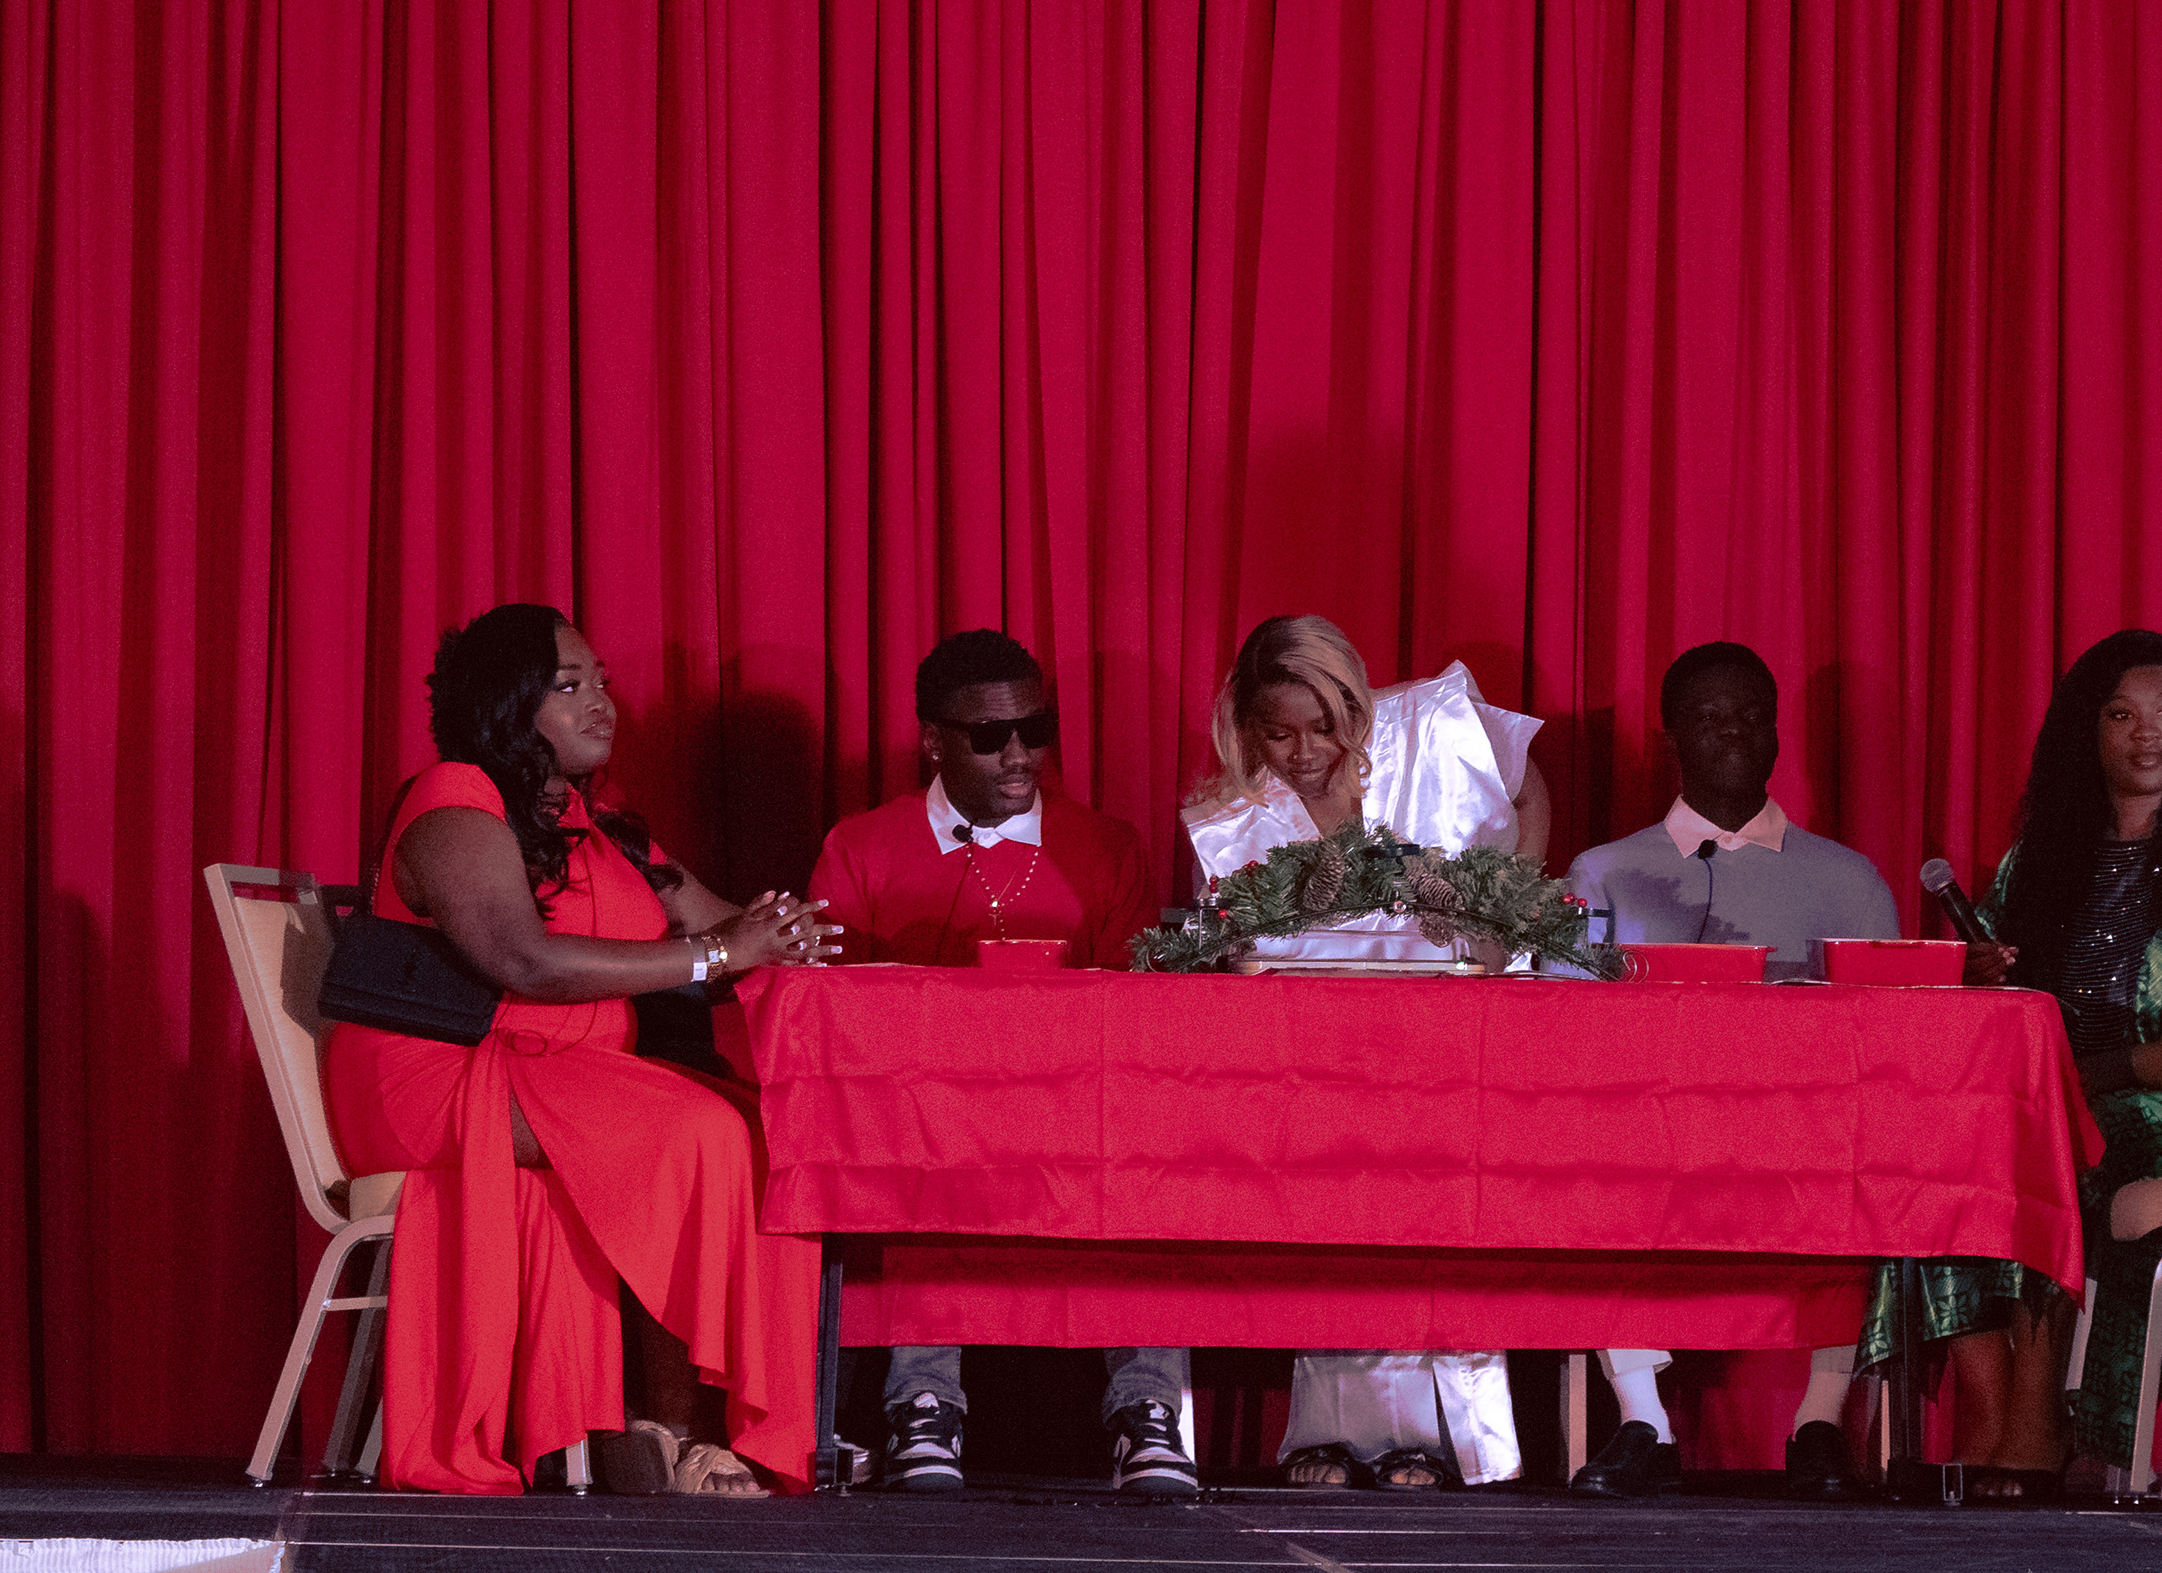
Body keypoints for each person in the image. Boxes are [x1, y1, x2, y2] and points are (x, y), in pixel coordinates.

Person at [322, 604, 834, 1496]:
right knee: (696, 1135)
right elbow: (522, 960)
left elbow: (726, 926)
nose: (601, 703)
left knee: (764, 1131)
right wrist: (718, 954)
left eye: (601, 681)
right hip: (443, 1074)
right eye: (568, 686)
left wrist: (793, 937)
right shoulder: (455, 799)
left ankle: (677, 1427)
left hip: (565, 1075)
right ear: (508, 705)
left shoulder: (601, 825)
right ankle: (682, 1430)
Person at [1867, 630, 2162, 1498]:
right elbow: (2000, 1026)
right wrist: (1981, 978)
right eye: (2121, 715)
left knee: (2055, 1146)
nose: (2148, 734)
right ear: (2088, 731)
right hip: (2065, 1104)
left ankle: (2040, 1423)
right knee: (1930, 1146)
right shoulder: (2043, 858)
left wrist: (2100, 1076)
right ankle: (1991, 1412)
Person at [806, 629, 1190, 1497]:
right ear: (933, 742)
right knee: (916, 1144)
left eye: (1035, 729)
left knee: (1149, 1143)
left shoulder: (1106, 846)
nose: (1019, 755)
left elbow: (1137, 1010)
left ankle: (1147, 1411)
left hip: (1077, 1107)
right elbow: (833, 1010)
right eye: (989, 736)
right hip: (919, 1112)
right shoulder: (862, 847)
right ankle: (923, 1408)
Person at [1182, 614, 1552, 1488]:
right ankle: (1333, 1436)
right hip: (1321, 1056)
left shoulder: (1432, 725)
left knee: (1442, 1227)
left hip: (1453, 1034)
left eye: (1324, 727)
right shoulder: (1229, 815)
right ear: (1246, 727)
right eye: (1278, 734)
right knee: (1334, 1229)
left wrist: (1511, 911)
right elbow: (1228, 939)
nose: (1305, 752)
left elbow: (1528, 790)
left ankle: (1443, 1443)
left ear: (1356, 705)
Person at [1561, 641, 1897, 1499]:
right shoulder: (1603, 871)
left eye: (1751, 715)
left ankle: (1820, 1423)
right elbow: (1563, 1024)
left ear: (1778, 734)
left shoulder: (1849, 878)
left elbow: (1890, 1033)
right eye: (1709, 717)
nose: (1734, 732)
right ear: (1673, 736)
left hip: (1807, 1128)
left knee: (1881, 1160)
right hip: (1652, 1127)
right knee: (1586, 1152)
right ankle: (1644, 1421)